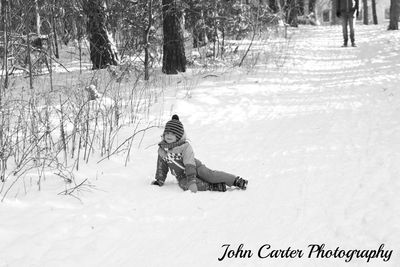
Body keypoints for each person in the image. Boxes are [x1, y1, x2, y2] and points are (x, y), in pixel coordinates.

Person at [151, 115, 248, 193]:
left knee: (210, 176)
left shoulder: (184, 147)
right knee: (185, 185)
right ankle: (213, 187)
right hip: (181, 175)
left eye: (172, 134)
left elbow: (189, 164)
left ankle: (235, 180)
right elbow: (161, 167)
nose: (169, 136)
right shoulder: (162, 150)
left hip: (196, 168)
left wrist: (192, 180)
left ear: (179, 135)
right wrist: (159, 180)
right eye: (167, 133)